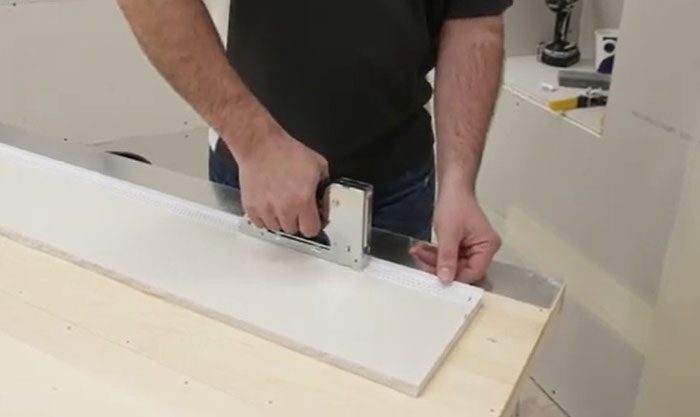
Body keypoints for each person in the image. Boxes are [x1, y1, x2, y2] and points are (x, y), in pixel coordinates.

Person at [116, 0, 509, 284]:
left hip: (400, 186)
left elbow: (474, 21)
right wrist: (256, 143)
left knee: (379, 361)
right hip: (257, 181)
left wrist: (459, 183)